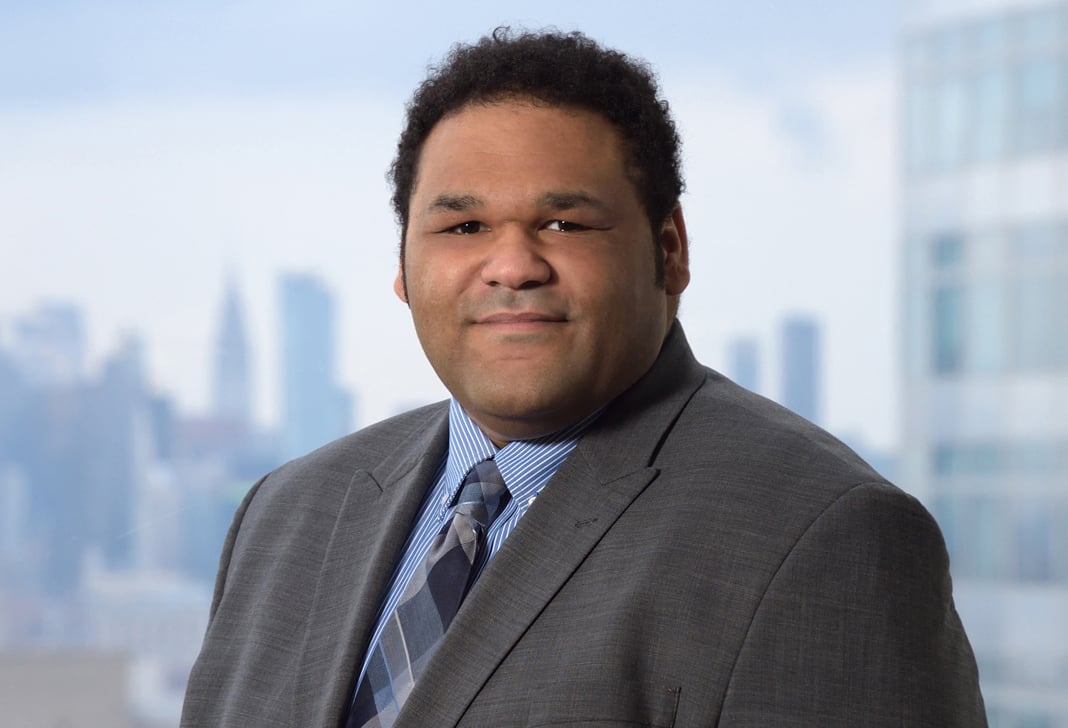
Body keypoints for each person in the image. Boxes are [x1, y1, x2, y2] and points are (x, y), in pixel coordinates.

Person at [181, 29, 986, 727]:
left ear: (669, 252)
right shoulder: (287, 515)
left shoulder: (825, 538)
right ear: (402, 266)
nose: (512, 265)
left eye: (564, 223)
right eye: (464, 225)